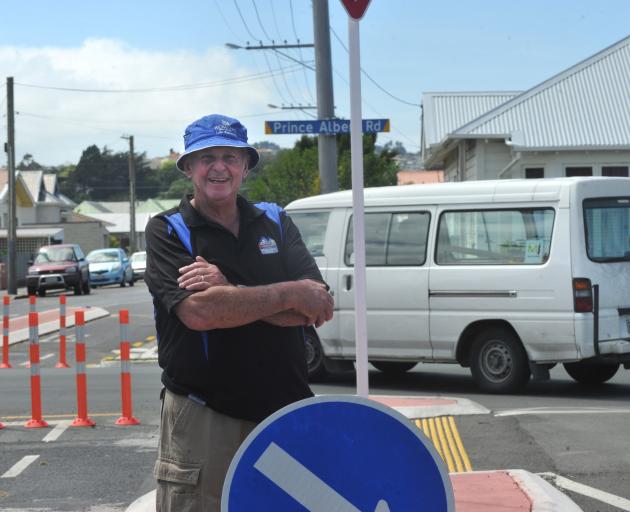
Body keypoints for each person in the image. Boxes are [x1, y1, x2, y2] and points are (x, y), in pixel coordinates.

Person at [144, 113, 333, 511]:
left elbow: (317, 306)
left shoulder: (276, 221)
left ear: (246, 167)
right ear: (188, 168)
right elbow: (199, 314)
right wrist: (290, 294)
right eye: (207, 156)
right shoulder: (168, 230)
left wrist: (229, 290)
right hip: (205, 416)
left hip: (284, 409)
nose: (219, 167)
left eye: (231, 157)